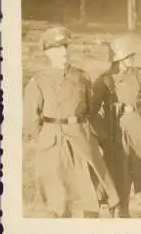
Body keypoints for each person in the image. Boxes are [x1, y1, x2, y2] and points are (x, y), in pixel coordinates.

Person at [23, 26, 119, 218]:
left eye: (66, 47)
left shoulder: (81, 77)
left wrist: (98, 135)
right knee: (57, 193)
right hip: (52, 141)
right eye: (57, 49)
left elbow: (90, 110)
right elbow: (31, 119)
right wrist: (44, 138)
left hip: (80, 136)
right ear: (48, 53)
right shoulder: (38, 81)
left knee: (87, 188)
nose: (64, 52)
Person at [91, 36, 141, 218]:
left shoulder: (140, 74)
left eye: (132, 56)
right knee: (120, 168)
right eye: (128, 57)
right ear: (117, 58)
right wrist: (103, 134)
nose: (132, 60)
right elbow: (93, 110)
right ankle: (121, 208)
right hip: (118, 129)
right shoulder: (105, 80)